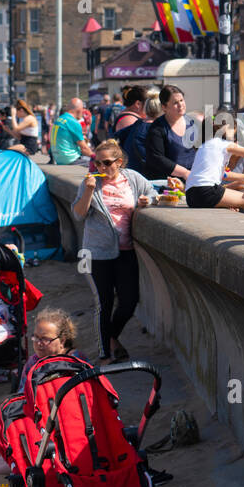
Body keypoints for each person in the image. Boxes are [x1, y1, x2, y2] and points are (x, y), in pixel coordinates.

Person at [0, 310, 90, 483]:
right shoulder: (33, 362)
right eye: (35, 338)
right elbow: (21, 398)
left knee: (28, 450)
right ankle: (3, 464)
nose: (39, 344)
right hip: (35, 422)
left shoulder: (75, 363)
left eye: (45, 339)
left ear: (62, 341)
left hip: (65, 428)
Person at [73, 140, 155, 362]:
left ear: (119, 162)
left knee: (129, 301)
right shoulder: (90, 183)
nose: (101, 168)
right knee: (104, 302)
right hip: (96, 253)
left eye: (107, 163)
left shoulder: (133, 178)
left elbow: (153, 192)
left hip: (125, 250)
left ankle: (111, 338)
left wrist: (147, 200)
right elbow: (79, 214)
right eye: (97, 163)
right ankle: (104, 353)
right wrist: (89, 191)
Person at [184, 117, 244, 212]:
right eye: (234, 135)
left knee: (233, 205)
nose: (235, 139)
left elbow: (225, 175)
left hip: (190, 195)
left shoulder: (205, 146)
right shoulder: (225, 145)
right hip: (207, 191)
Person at [142, 85, 198, 181]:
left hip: (192, 178)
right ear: (164, 107)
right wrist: (185, 173)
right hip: (167, 182)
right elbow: (157, 159)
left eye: (181, 100)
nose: (180, 105)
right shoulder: (157, 128)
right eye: (175, 103)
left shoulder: (192, 122)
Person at [117, 92, 157, 174]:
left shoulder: (138, 124)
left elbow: (117, 137)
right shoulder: (154, 128)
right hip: (144, 176)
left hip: (129, 172)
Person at [51, 98, 96, 165]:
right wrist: (97, 157)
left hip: (58, 159)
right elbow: (84, 149)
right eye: (82, 109)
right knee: (98, 165)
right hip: (71, 159)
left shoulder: (59, 119)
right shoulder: (73, 122)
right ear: (78, 110)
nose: (83, 112)